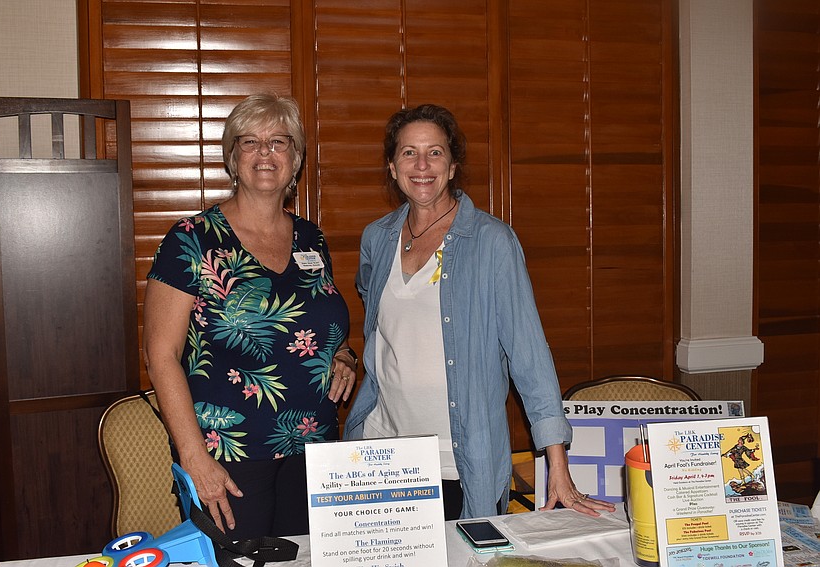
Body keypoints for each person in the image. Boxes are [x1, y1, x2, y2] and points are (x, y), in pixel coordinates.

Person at [343, 103, 615, 520]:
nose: (422, 165)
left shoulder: (492, 242)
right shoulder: (377, 239)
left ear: (453, 167)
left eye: (435, 152)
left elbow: (529, 355)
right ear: (392, 166)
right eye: (408, 153)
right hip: (382, 450)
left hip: (458, 460)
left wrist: (558, 465)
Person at [143, 93, 357, 539]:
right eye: (250, 142)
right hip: (227, 457)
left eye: (279, 142)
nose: (265, 153)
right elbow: (161, 354)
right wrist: (193, 455)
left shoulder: (311, 239)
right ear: (231, 157)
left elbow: (318, 327)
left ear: (295, 159)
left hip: (314, 450)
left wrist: (345, 357)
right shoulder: (192, 239)